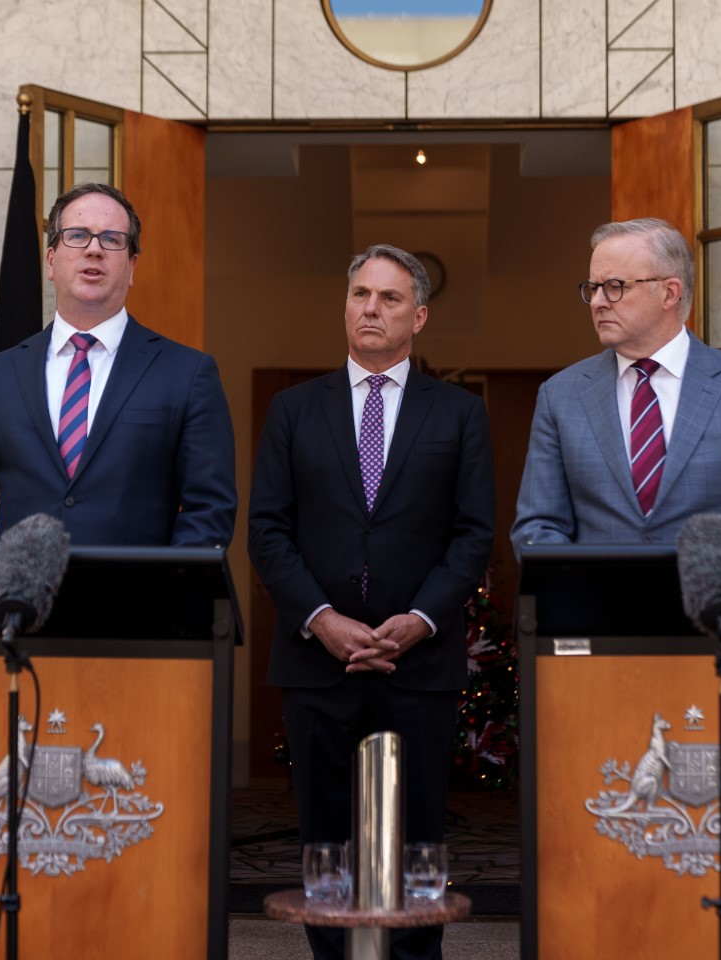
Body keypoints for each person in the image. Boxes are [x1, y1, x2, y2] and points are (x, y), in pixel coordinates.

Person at [248, 245, 493, 960]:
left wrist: (418, 622)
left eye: (388, 298)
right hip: (316, 662)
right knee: (324, 847)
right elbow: (267, 530)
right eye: (360, 294)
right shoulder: (294, 409)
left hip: (418, 666)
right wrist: (321, 620)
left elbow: (474, 535)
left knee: (418, 846)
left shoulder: (460, 413)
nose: (370, 309)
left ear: (417, 316)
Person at [0, 182, 235, 546]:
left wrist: (160, 596)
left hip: (138, 601)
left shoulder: (187, 374)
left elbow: (209, 513)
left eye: (112, 239)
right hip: (18, 601)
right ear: (51, 261)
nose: (94, 249)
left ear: (132, 266)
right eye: (77, 236)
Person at [511, 218, 721, 553]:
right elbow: (537, 529)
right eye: (592, 288)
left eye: (614, 286)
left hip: (711, 602)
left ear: (669, 293)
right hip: (600, 603)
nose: (597, 302)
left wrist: (698, 580)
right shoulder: (561, 395)